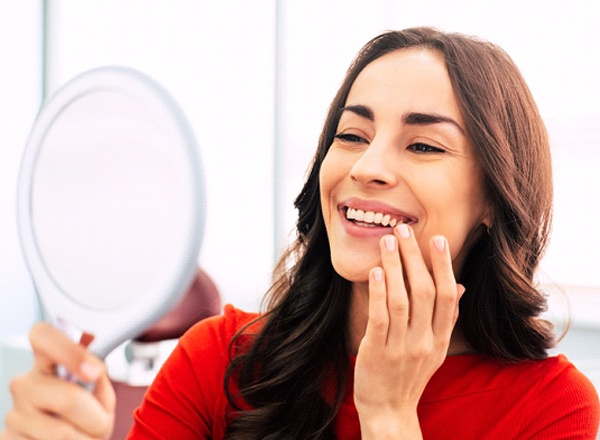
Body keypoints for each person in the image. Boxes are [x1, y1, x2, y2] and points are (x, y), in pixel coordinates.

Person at [2, 26, 599, 439]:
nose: (366, 168)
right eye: (351, 135)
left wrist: (388, 415)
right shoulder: (217, 362)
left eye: (422, 144)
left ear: (494, 199)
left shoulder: (551, 410)